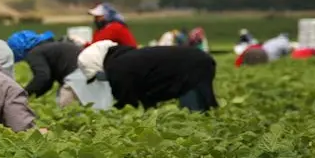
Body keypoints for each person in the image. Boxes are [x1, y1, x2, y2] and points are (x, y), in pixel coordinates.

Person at [78, 40, 219, 113]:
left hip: (193, 65)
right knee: (204, 105)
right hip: (198, 60)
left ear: (97, 64)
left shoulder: (117, 68)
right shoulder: (126, 58)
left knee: (195, 111)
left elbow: (127, 102)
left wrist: (111, 116)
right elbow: (145, 91)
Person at [8, 30, 79, 99]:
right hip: (84, 72)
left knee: (65, 104)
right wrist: (28, 95)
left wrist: (22, 96)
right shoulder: (49, 47)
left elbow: (42, 76)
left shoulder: (34, 53)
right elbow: (48, 83)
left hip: (76, 76)